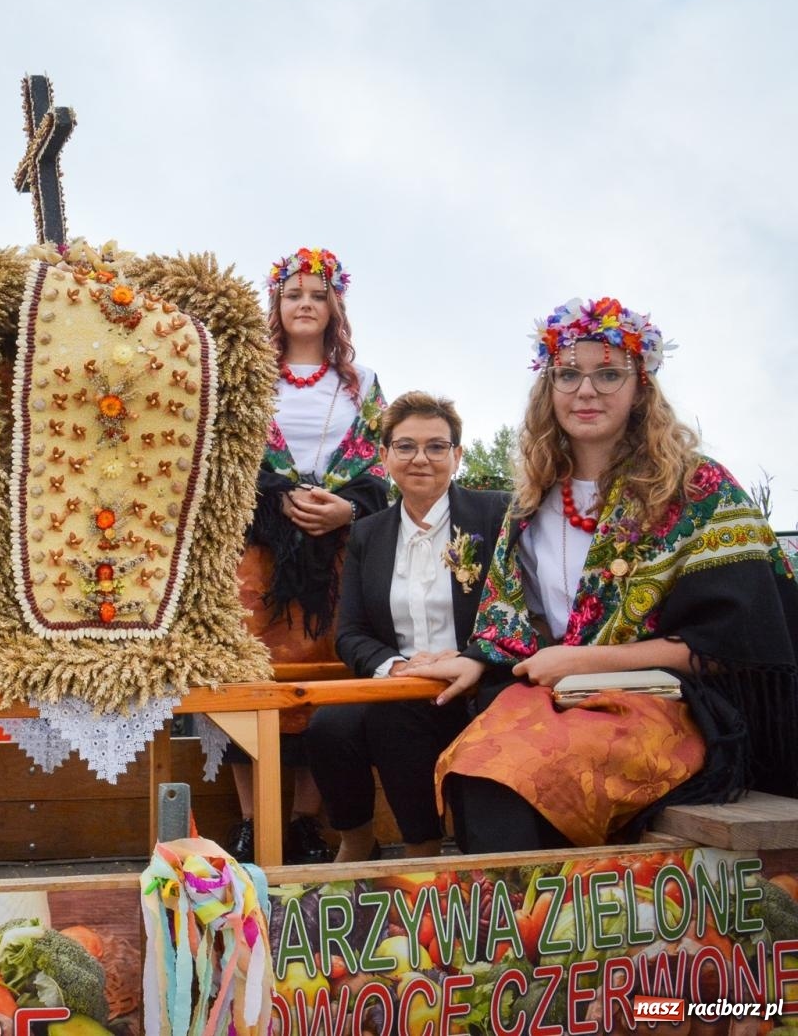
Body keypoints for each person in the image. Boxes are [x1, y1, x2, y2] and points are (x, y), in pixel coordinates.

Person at [407, 298, 798, 851]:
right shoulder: (531, 502)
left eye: (608, 374)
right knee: (473, 768)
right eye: (568, 374)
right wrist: (474, 656)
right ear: (549, 387)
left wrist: (585, 659)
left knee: (518, 779)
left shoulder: (698, 490)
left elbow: (734, 647)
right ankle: (519, 927)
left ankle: (547, 927)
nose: (586, 391)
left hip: (673, 705)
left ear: (641, 387)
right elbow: (512, 627)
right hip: (561, 695)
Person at [229, 247, 390, 863]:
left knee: (326, 680)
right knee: (249, 678)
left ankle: (303, 820)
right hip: (257, 551)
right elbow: (224, 460)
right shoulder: (249, 377)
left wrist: (349, 509)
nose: (304, 303)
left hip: (337, 553)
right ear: (277, 304)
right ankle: (251, 820)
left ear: (333, 307)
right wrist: (278, 501)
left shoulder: (363, 385)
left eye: (317, 295)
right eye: (293, 293)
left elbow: (384, 462)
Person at [307, 392, 508, 861]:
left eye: (437, 447)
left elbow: (519, 609)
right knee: (328, 727)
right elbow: (351, 634)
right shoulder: (367, 534)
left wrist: (469, 659)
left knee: (394, 718)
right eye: (406, 446)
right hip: (400, 684)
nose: (421, 458)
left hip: (479, 681)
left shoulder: (496, 515)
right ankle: (357, 842)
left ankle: (423, 850)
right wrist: (398, 669)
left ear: (457, 456)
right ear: (385, 456)